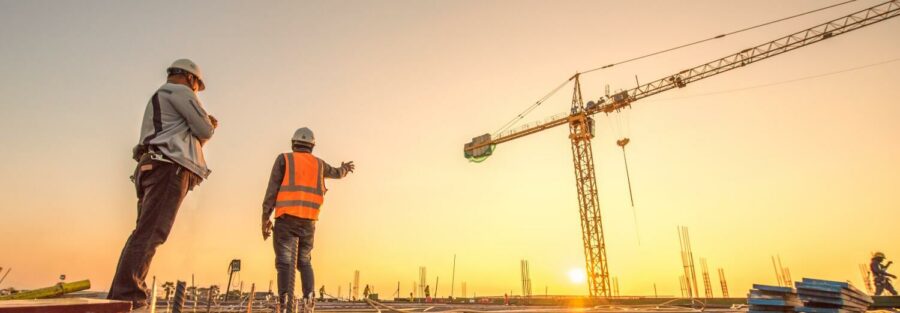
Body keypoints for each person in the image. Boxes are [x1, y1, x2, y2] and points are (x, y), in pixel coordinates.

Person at [108, 59, 216, 309]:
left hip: (152, 166)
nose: (197, 91)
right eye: (198, 86)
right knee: (152, 232)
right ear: (191, 79)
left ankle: (122, 292)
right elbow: (204, 130)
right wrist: (209, 124)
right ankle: (129, 294)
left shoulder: (161, 98)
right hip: (168, 169)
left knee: (144, 232)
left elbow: (190, 137)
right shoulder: (180, 92)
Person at [262, 127, 354, 313]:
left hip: (286, 218)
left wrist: (265, 217)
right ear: (312, 146)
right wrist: (345, 168)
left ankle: (284, 300)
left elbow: (272, 190)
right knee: (304, 261)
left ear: (293, 143)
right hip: (309, 221)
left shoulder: (284, 159)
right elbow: (337, 172)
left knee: (284, 262)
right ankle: (308, 300)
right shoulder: (319, 165)